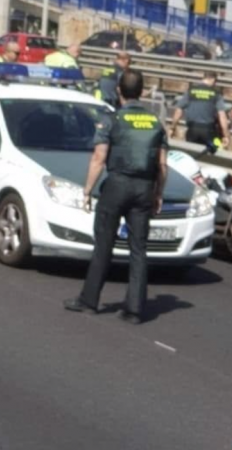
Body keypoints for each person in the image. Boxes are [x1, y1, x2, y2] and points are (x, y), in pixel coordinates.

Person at [63, 69, 167, 325]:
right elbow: (163, 165)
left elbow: (99, 158)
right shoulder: (155, 122)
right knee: (139, 249)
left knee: (104, 245)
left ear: (119, 90)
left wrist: (87, 190)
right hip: (144, 187)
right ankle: (134, 310)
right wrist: (158, 193)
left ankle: (89, 301)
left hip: (117, 185)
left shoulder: (111, 119)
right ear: (142, 91)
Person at [168, 71, 230, 147]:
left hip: (192, 129)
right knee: (211, 153)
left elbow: (179, 110)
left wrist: (172, 127)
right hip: (208, 130)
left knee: (191, 152)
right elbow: (222, 115)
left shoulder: (191, 90)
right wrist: (225, 135)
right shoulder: (216, 93)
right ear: (213, 79)